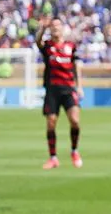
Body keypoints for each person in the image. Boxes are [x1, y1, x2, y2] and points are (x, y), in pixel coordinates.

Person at [36, 18, 84, 170]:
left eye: (57, 25)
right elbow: (38, 42)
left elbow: (76, 66)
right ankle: (53, 157)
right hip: (52, 90)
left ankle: (74, 151)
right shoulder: (48, 46)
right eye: (53, 26)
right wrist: (42, 29)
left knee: (75, 121)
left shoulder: (70, 46)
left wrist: (80, 86)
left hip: (69, 89)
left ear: (63, 28)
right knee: (51, 123)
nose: (55, 28)